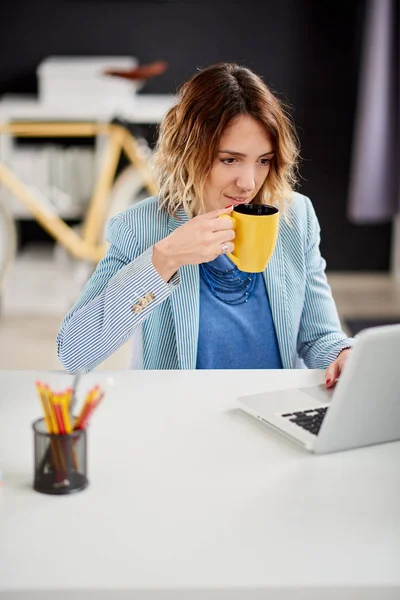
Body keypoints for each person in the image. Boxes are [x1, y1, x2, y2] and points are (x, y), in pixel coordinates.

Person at [57, 62, 355, 385]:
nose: (248, 183)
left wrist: (343, 356)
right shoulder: (141, 227)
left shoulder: (296, 218)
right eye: (230, 160)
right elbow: (75, 352)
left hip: (274, 416)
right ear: (189, 153)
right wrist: (164, 261)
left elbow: (320, 337)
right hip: (181, 424)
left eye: (263, 161)